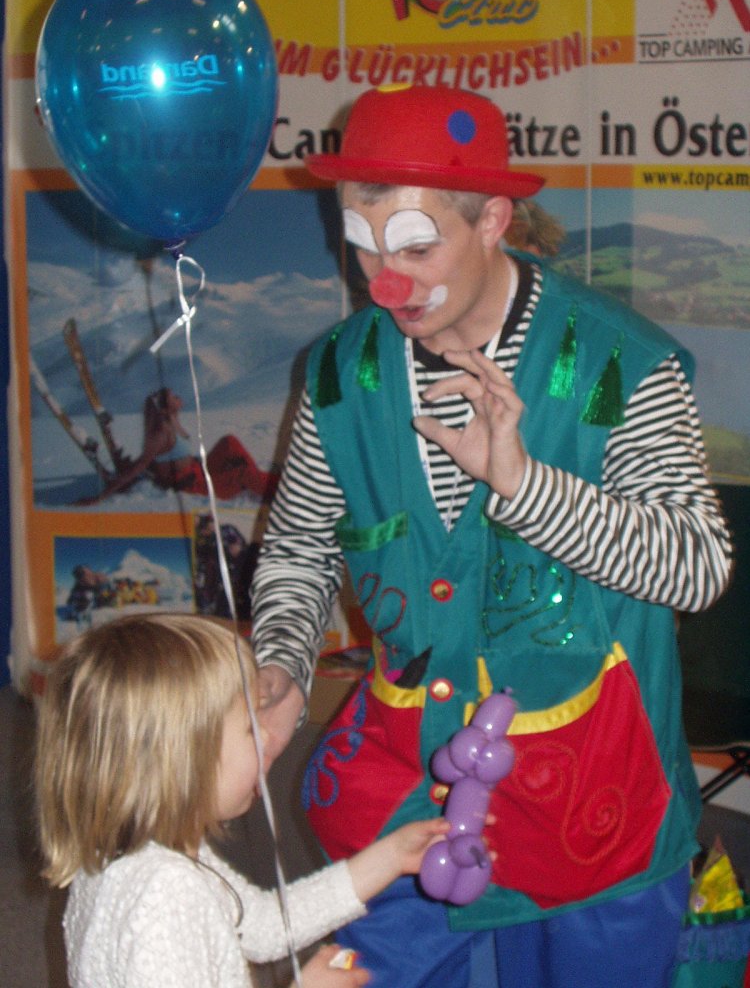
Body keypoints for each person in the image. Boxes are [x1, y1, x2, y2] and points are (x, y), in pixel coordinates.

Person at [250, 84, 734, 988]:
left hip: (593, 811)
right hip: (408, 798)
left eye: (415, 247)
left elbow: (696, 565)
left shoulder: (619, 364)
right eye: (363, 247)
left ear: (493, 221)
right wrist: (281, 662)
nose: (384, 281)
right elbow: (300, 546)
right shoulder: (339, 377)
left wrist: (523, 485)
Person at [34, 613, 449, 988]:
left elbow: (265, 926)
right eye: (250, 727)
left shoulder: (142, 855)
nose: (269, 735)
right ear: (184, 759)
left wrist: (392, 856)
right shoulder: (166, 894)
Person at [77, 387, 278, 504]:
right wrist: (101, 497)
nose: (178, 397)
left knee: (229, 442)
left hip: (198, 470)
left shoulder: (171, 418)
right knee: (243, 474)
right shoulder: (159, 434)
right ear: (164, 409)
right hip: (192, 485)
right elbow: (138, 467)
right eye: (173, 397)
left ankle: (262, 481)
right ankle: (282, 492)